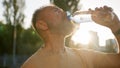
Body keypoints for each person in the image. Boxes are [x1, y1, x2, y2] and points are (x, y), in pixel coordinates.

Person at [21, 4, 120, 68]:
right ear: (42, 25)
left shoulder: (83, 56)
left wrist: (115, 27)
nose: (66, 13)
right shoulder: (32, 65)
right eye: (57, 11)